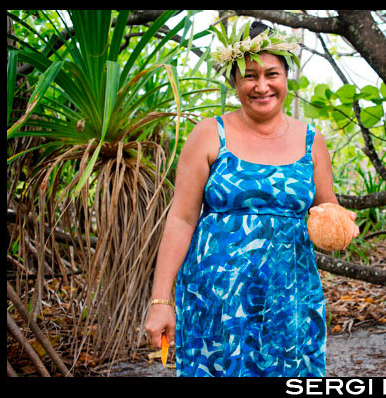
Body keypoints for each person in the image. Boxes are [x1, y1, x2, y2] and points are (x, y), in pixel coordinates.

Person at [144, 20, 359, 377]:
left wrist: (340, 225)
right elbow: (181, 219)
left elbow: (327, 209)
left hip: (289, 300)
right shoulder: (210, 134)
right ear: (234, 82)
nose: (262, 86)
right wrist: (161, 301)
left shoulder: (311, 141)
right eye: (249, 76)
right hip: (215, 301)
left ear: (287, 76)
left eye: (271, 73)